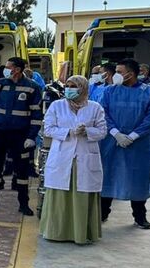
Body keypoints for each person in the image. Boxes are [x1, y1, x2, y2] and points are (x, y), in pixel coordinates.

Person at [40, 75, 107, 244]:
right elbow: (47, 129)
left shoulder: (95, 107)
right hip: (62, 157)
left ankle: (81, 233)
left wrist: (88, 132)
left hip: (84, 158)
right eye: (68, 85)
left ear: (83, 88)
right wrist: (67, 132)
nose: (69, 89)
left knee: (82, 194)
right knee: (60, 195)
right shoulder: (57, 106)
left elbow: (102, 131)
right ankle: (57, 232)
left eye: (74, 86)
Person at [0, 56, 43, 216]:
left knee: (22, 171)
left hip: (20, 135)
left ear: (17, 69)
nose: (6, 69)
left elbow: (36, 114)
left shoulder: (32, 87)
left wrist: (31, 137)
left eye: (8, 66)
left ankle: (23, 204)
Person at [99, 58, 150, 229]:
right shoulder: (109, 92)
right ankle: (103, 212)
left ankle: (140, 216)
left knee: (138, 177)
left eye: (119, 72)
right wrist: (116, 133)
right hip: (112, 142)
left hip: (139, 144)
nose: (115, 75)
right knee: (109, 174)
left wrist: (132, 136)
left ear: (131, 74)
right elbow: (103, 113)